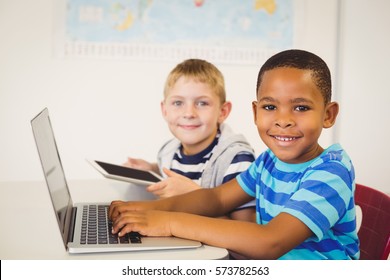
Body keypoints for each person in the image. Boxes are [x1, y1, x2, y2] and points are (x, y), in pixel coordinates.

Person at [109, 49, 359, 260]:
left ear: (328, 115)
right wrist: (145, 210)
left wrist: (168, 222)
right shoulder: (268, 163)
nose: (283, 120)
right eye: (270, 107)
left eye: (301, 107)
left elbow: (270, 242)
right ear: (255, 111)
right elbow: (217, 199)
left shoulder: (331, 171)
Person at [124, 58, 256, 221]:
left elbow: (245, 233)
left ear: (222, 111)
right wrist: (152, 169)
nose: (189, 113)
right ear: (165, 110)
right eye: (178, 102)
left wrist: (195, 197)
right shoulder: (169, 150)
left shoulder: (236, 160)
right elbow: (181, 171)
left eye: (202, 103)